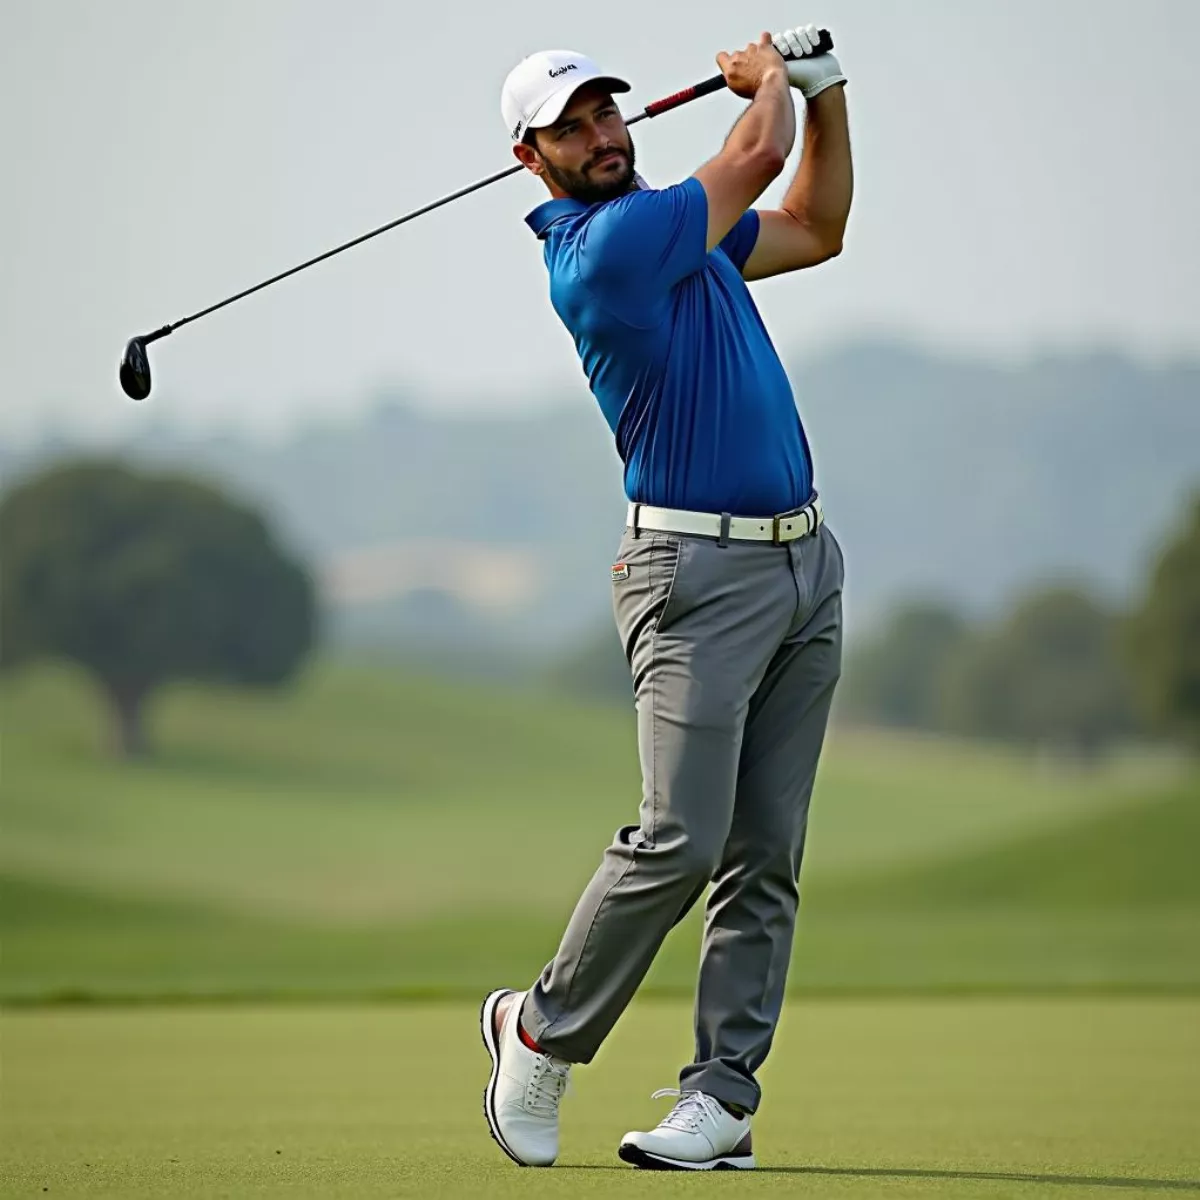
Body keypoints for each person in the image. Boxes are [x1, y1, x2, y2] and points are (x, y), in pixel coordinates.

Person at [482, 22, 853, 1172]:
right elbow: (748, 155)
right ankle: (539, 1033)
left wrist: (827, 94)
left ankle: (721, 1100)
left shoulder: (678, 240)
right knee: (680, 838)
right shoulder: (609, 250)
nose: (602, 134)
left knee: (763, 853)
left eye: (607, 112)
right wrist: (771, 84)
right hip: (694, 577)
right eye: (571, 126)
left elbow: (817, 226)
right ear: (528, 160)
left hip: (804, 565)